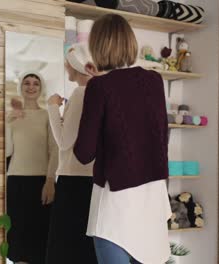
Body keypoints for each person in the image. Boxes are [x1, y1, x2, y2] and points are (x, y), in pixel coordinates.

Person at [73, 14, 172, 264]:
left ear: (97, 46)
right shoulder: (154, 81)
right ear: (130, 42)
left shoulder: (99, 88)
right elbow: (160, 136)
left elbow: (84, 153)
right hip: (152, 202)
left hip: (116, 206)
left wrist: (94, 86)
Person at [45, 43, 97, 264]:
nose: (66, 68)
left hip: (73, 179)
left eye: (67, 64)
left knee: (65, 248)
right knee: (83, 247)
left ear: (75, 67)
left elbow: (64, 142)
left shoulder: (80, 92)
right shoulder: (97, 93)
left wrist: (51, 108)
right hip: (91, 180)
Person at [5, 71, 58, 264]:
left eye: (36, 83)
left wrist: (50, 181)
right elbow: (7, 151)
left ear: (41, 88)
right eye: (27, 83)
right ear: (21, 87)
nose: (31, 86)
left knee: (39, 236)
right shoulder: (10, 116)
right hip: (15, 182)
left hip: (41, 182)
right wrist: (9, 123)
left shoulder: (46, 116)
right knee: (17, 238)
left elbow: (55, 150)